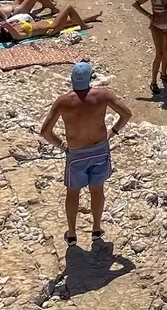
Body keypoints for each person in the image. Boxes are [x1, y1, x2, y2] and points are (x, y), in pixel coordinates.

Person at [39, 62, 132, 246]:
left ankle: (72, 234)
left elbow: (45, 132)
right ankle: (96, 229)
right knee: (97, 190)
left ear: (72, 79)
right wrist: (112, 132)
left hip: (76, 154)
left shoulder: (63, 102)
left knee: (73, 193)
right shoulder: (103, 95)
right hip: (99, 150)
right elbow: (126, 114)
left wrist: (62, 145)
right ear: (90, 78)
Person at [0, 6, 102, 43]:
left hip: (49, 22)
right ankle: (83, 26)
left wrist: (6, 25)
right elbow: (14, 33)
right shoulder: (17, 35)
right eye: (3, 30)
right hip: (52, 28)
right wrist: (7, 26)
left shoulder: (14, 27)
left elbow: (9, 24)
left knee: (72, 20)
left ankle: (91, 18)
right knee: (68, 8)